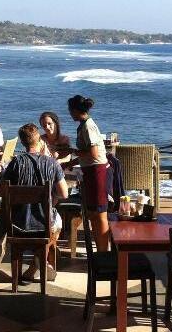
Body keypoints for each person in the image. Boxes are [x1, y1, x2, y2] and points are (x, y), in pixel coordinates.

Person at [0, 123, 68, 280]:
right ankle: (38, 260)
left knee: (50, 219)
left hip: (17, 223)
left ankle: (35, 264)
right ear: (39, 139)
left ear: (22, 142)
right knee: (57, 222)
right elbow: (64, 193)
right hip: (42, 224)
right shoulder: (51, 163)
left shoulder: (16, 163)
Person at [68, 94, 109, 251]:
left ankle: (104, 251)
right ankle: (100, 248)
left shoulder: (88, 127)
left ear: (75, 110)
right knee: (93, 213)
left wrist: (75, 153)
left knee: (100, 215)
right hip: (90, 171)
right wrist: (73, 161)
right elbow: (87, 153)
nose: (69, 113)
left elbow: (93, 153)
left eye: (70, 110)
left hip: (96, 173)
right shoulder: (84, 125)